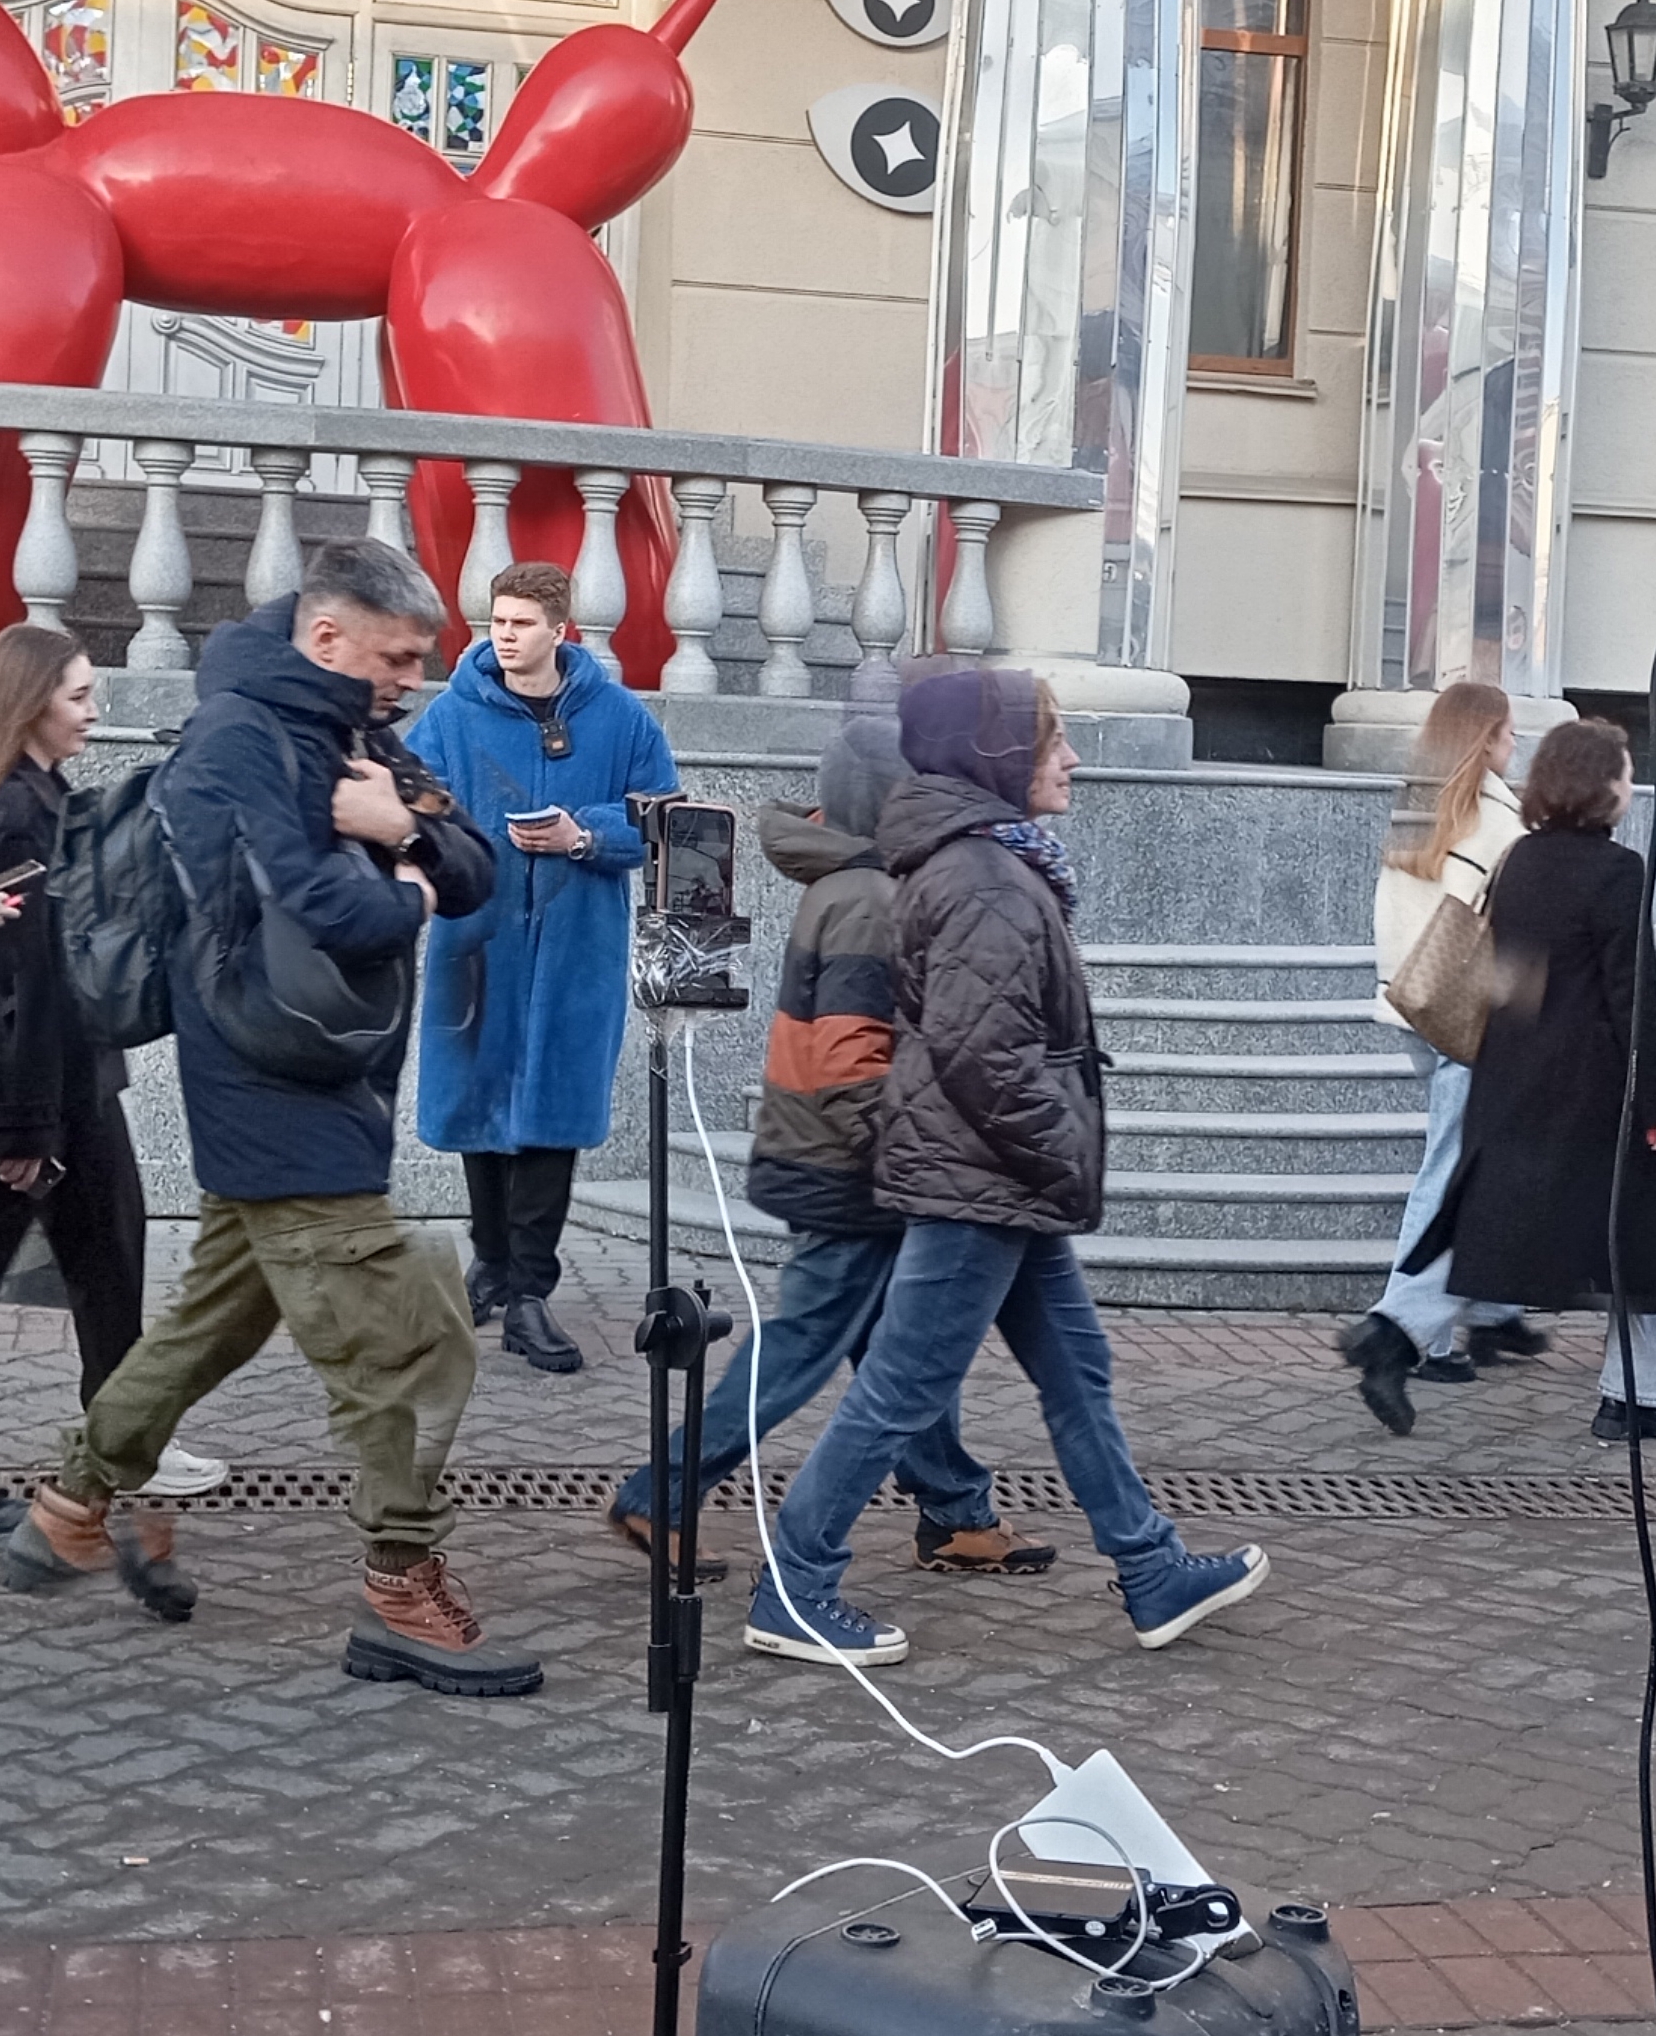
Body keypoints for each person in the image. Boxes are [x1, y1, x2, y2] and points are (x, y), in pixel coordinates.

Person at [2, 540, 533, 1695]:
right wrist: (401, 862)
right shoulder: (237, 738)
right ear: (328, 635)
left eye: (421, 660)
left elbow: (478, 861)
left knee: (213, 1322)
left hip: (334, 1074)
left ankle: (69, 1503)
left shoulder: (350, 731)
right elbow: (330, 906)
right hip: (264, 1078)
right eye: (396, 656)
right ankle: (400, 1586)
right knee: (406, 1339)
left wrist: (403, 838)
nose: (411, 679)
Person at [745, 668, 1267, 1667]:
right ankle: (793, 1588)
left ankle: (1149, 1568)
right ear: (993, 760)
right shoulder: (980, 876)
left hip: (994, 1176)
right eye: (1048, 744)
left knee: (1075, 1371)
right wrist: (1061, 1148)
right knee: (898, 1389)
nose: (1068, 759)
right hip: (981, 1175)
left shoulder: (986, 862)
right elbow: (983, 1054)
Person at [603, 716, 1052, 1581]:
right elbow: (852, 1062)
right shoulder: (873, 898)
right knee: (801, 1351)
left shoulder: (863, 884)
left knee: (903, 1349)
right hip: (850, 1168)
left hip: (843, 1158)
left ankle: (956, 1510)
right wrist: (909, 1155)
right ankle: (656, 1495)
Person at [0, 625, 219, 1559]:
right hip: (28, 1091)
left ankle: (119, 1445)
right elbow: (13, 984)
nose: (93, 709)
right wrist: (20, 1122)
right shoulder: (11, 814)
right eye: (78, 694)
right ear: (31, 700)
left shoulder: (35, 797)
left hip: (64, 1079)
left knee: (108, 1254)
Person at [404, 558, 681, 1377]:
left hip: (577, 948)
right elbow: (411, 808)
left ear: (562, 631)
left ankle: (529, 1286)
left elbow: (665, 820)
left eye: (522, 622)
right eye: (498, 619)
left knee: (553, 1112)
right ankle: (491, 1262)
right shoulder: (451, 716)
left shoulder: (622, 719)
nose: (505, 633)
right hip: (478, 941)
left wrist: (583, 835)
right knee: (477, 1100)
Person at [1414, 718, 1656, 1440]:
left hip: (1527, 1079)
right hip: (1604, 1088)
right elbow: (1632, 995)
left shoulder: (1519, 858)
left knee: (1616, 1242)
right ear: (1598, 785)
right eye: (1623, 770)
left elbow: (1510, 979)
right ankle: (1632, 1399)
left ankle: (1417, 1336)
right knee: (1649, 1247)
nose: (1631, 784)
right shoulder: (1618, 871)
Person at [1339, 680, 1540, 1435]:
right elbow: (1508, 931)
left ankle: (1478, 1317)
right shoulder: (1496, 822)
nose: (1516, 744)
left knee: (1469, 1162)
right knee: (1452, 1168)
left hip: (1407, 1002)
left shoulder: (1418, 808)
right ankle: (1404, 1326)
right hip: (1466, 1014)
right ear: (1485, 737)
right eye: (1509, 733)